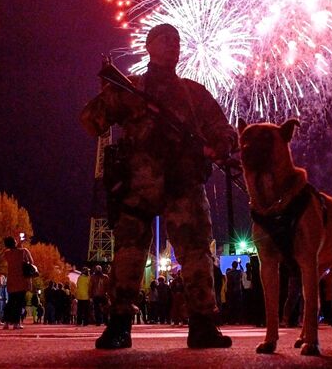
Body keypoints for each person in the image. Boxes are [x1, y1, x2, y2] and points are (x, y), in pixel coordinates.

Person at [81, 24, 236, 350]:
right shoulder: (133, 88)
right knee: (128, 256)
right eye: (165, 40)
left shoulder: (193, 94)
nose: (173, 46)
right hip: (139, 185)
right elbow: (92, 121)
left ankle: (203, 324)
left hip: (184, 185)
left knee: (196, 255)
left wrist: (219, 146)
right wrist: (110, 93)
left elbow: (223, 132)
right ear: (149, 46)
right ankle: (119, 324)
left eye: (177, 42)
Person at [3, 235, 33, 330]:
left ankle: (6, 322)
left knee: (11, 302)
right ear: (15, 242)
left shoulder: (7, 254)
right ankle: (17, 323)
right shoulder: (23, 251)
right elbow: (31, 262)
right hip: (21, 280)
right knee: (19, 303)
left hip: (11, 280)